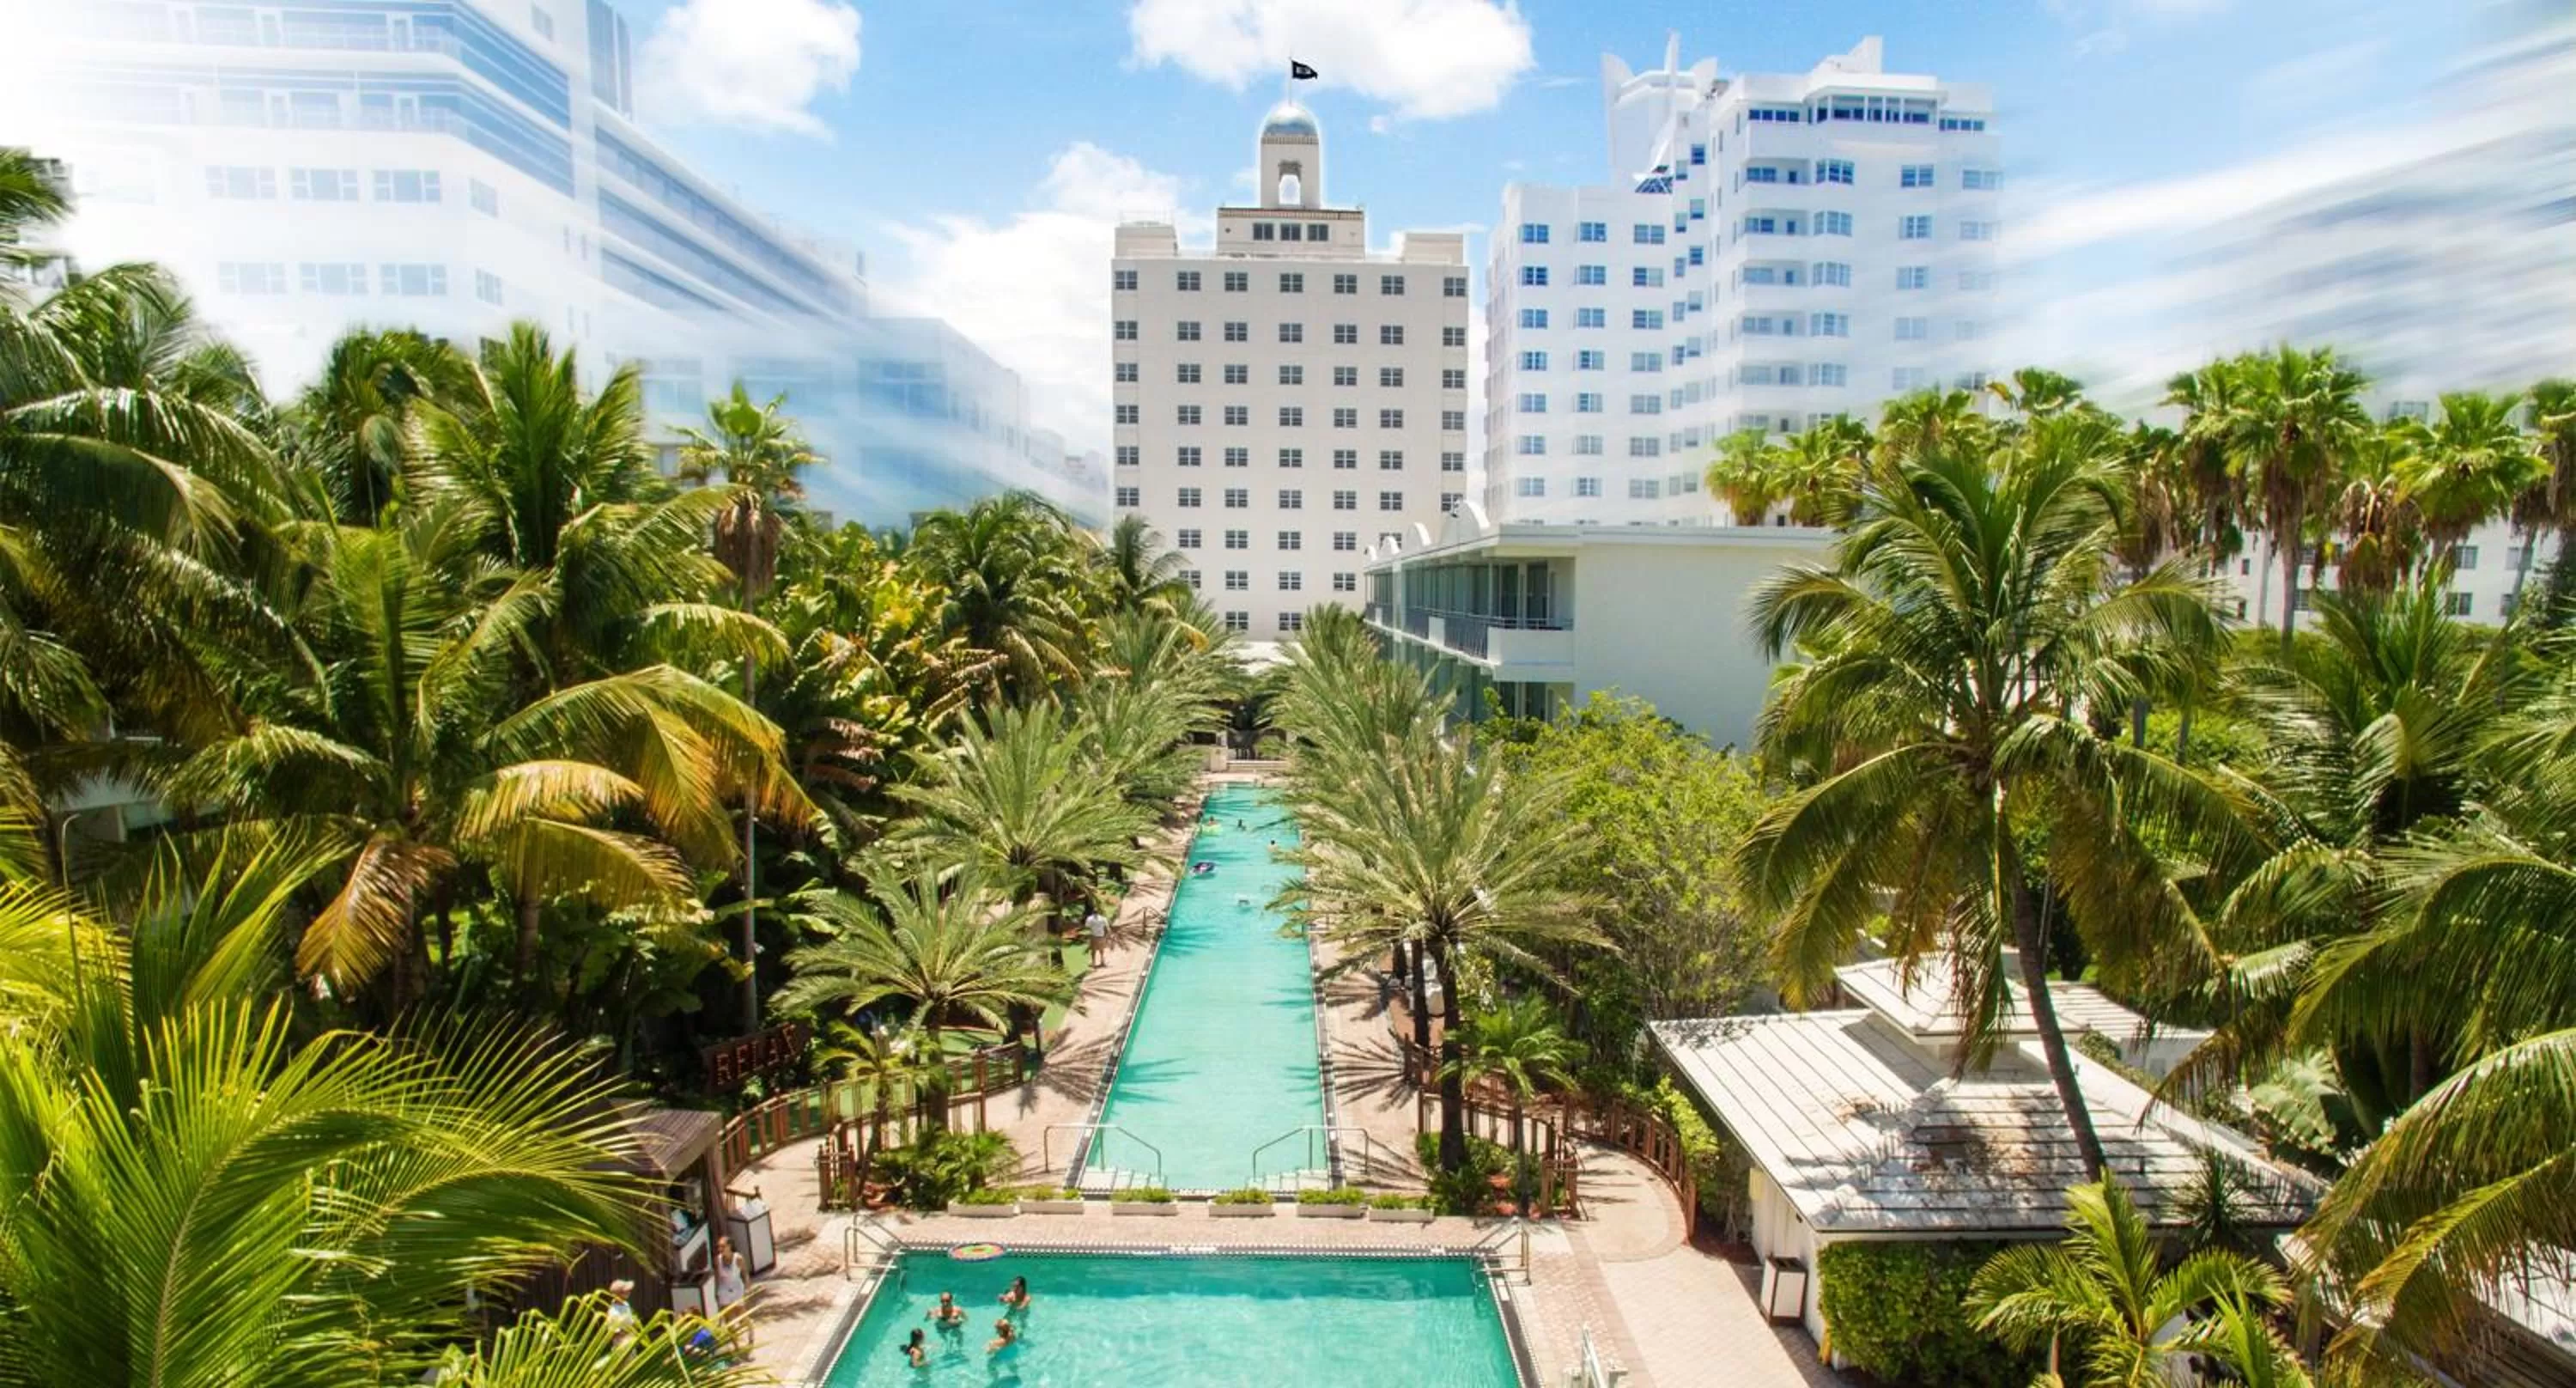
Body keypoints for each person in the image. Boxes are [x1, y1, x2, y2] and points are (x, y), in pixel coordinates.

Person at [712, 1234, 751, 1346]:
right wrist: (716, 1291)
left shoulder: (738, 1258)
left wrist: (748, 1287)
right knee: (728, 1320)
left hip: (736, 1288)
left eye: (723, 1246)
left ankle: (750, 1332)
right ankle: (736, 1346)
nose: (720, 1249)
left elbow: (745, 1273)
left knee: (741, 1317)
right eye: (719, 1246)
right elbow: (717, 1277)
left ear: (729, 1246)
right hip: (724, 1288)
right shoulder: (718, 1259)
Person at [603, 1279, 639, 1347]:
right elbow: (612, 1331)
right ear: (619, 1294)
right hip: (621, 1342)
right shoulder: (613, 1311)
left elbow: (630, 1320)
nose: (629, 1292)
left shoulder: (626, 1304)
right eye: (626, 1291)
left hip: (630, 1337)